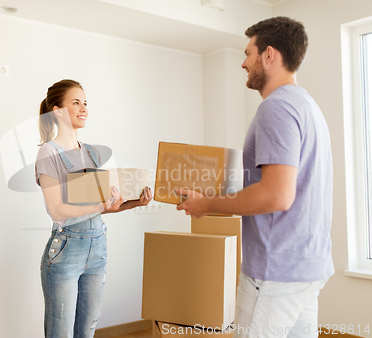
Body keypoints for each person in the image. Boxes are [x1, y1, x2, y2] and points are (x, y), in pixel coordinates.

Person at [176, 17, 334, 338]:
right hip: (307, 268)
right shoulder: (307, 106)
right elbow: (291, 188)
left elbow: (277, 195)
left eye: (248, 53)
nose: (243, 63)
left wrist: (206, 204)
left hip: (274, 273)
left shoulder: (276, 109)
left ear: (269, 55)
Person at [35, 79, 152, 338]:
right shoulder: (48, 152)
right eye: (75, 102)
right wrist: (100, 205)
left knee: (86, 333)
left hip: (97, 248)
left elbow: (100, 208)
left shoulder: (92, 153)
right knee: (61, 334)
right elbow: (56, 210)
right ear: (57, 110)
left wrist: (134, 202)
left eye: (85, 103)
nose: (83, 108)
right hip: (66, 251)